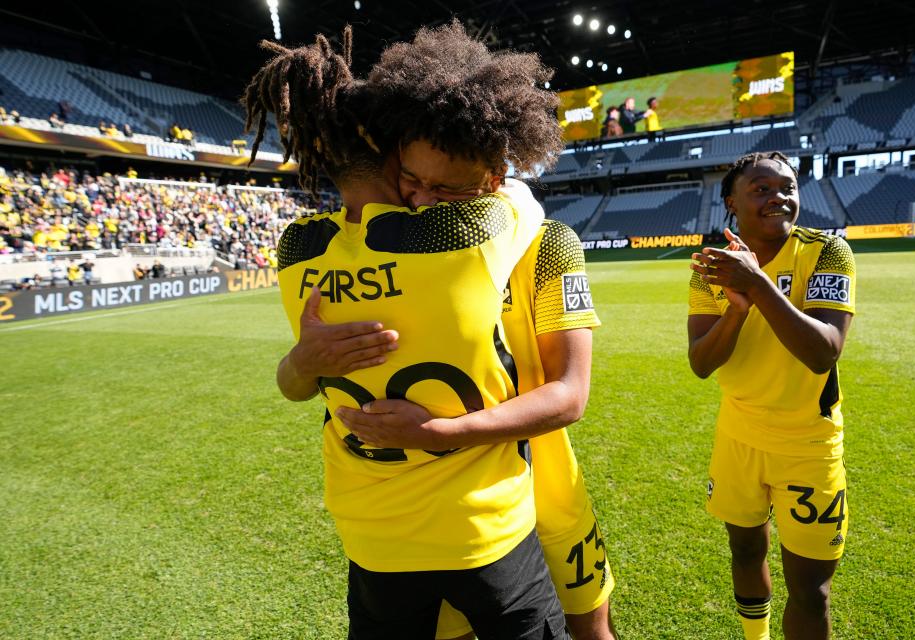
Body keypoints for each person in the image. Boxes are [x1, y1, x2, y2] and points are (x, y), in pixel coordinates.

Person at [245, 25, 568, 639]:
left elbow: (298, 384)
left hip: (372, 530)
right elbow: (522, 196)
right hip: (481, 524)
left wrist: (300, 363)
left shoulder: (298, 253)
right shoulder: (469, 234)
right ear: (394, 145)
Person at [330, 25, 616, 640]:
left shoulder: (548, 245)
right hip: (458, 521)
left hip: (548, 489)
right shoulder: (390, 255)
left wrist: (445, 432)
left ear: (492, 181)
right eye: (412, 179)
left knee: (591, 630)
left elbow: (569, 394)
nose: (424, 199)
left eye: (446, 187)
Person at [687, 151, 856, 640]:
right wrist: (736, 311)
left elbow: (824, 352)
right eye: (761, 189)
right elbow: (701, 362)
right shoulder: (709, 269)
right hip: (738, 437)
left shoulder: (826, 252)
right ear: (731, 203)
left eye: (788, 188)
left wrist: (758, 285)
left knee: (811, 591)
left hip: (808, 444)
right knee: (745, 552)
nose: (778, 197)